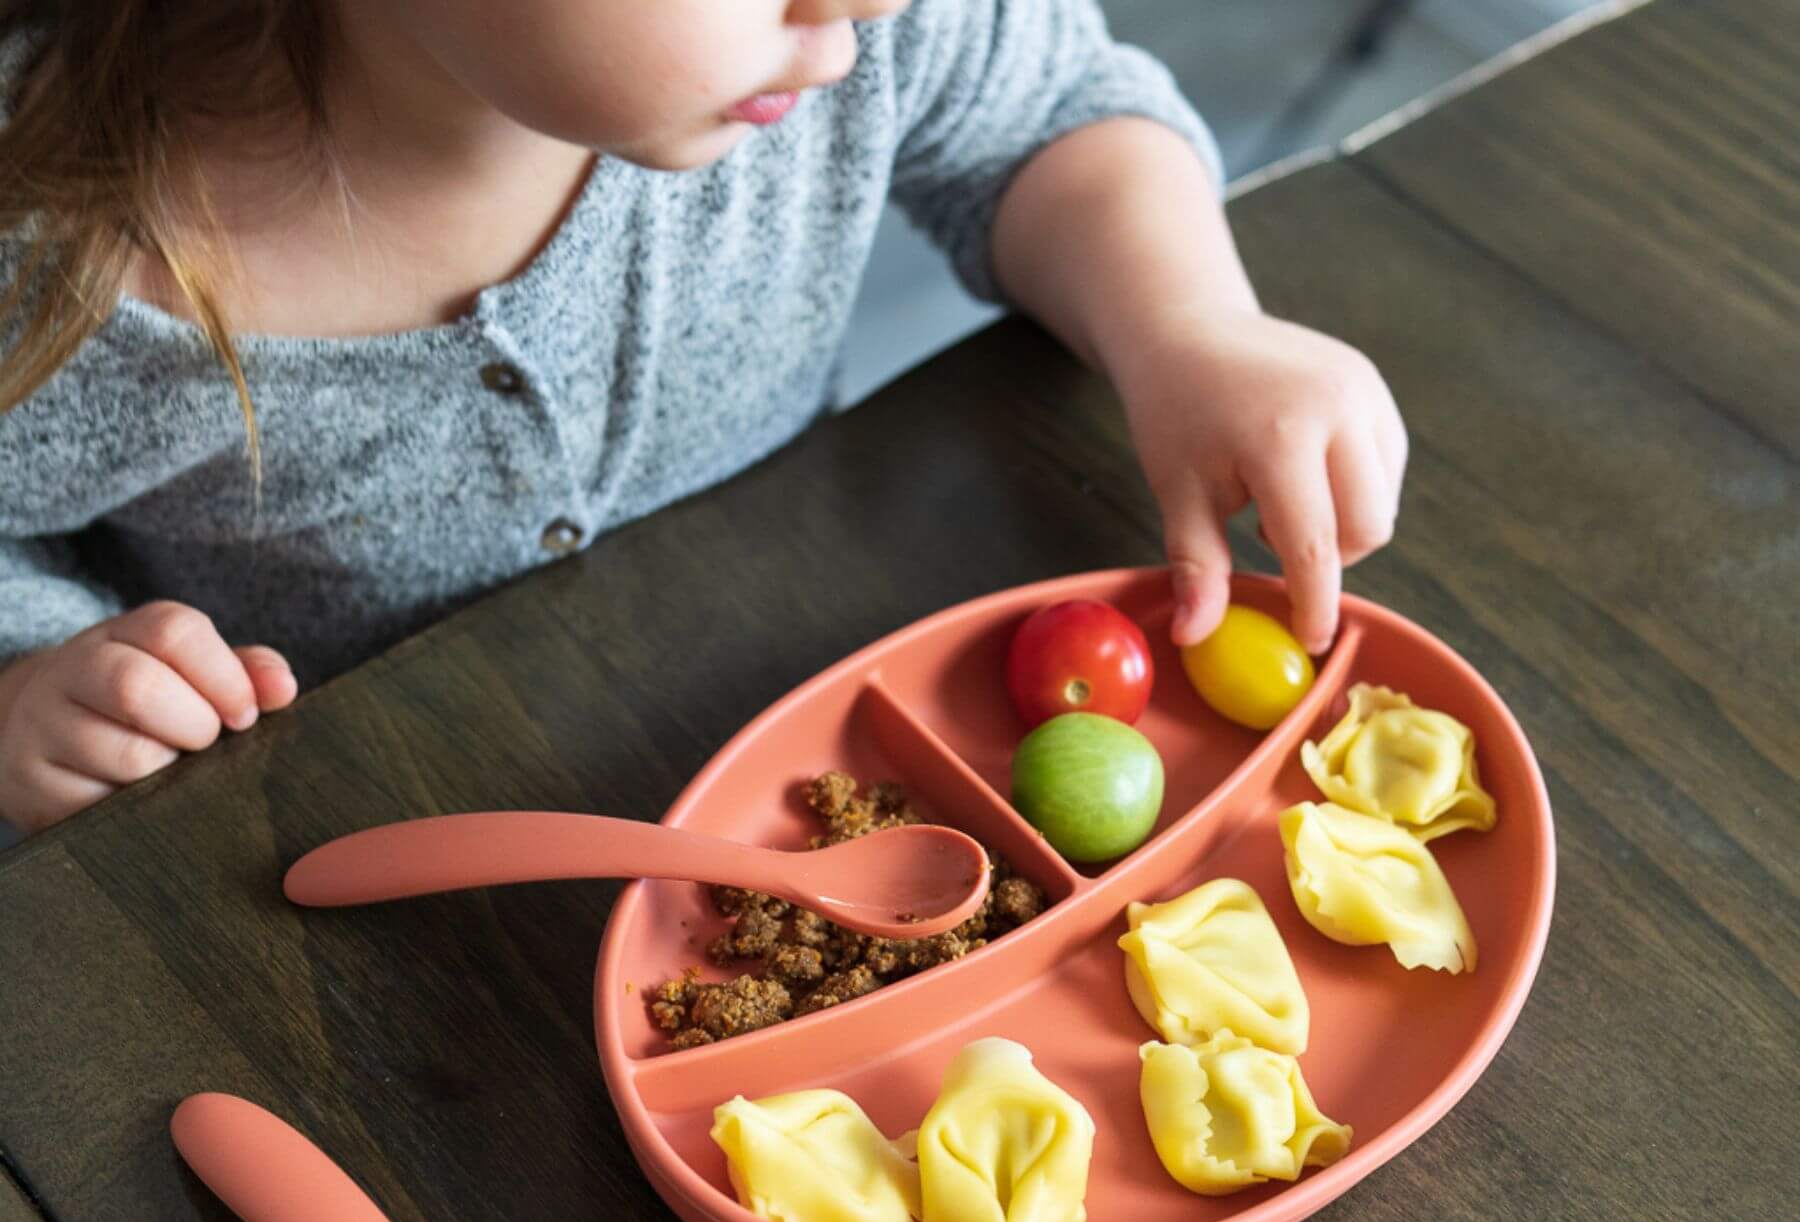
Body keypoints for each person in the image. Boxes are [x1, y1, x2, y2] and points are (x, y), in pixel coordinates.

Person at [0, 0, 1406, 834]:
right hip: (383, 874)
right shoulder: (48, 241)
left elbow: (1045, 119)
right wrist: (32, 696)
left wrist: (1189, 325)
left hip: (825, 737)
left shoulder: (819, 45)